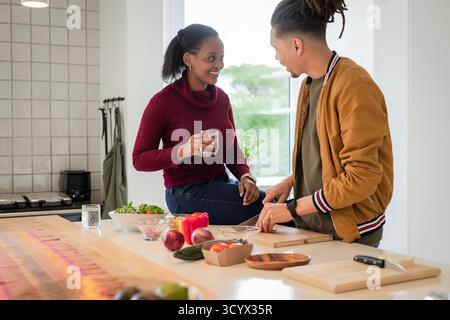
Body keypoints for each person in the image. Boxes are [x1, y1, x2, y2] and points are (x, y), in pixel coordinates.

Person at [256, 0, 394, 248]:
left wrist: (292, 209)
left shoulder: (354, 85)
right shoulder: (310, 84)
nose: (277, 57)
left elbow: (362, 176)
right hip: (315, 229)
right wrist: (292, 182)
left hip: (350, 236)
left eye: (276, 48)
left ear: (296, 45)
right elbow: (324, 157)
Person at [133, 24, 264, 225]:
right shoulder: (162, 102)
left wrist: (245, 177)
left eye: (221, 57)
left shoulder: (222, 99)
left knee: (274, 205)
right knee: (271, 208)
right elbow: (139, 159)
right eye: (211, 58)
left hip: (220, 184)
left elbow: (231, 150)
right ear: (188, 60)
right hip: (185, 193)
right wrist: (182, 150)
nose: (219, 64)